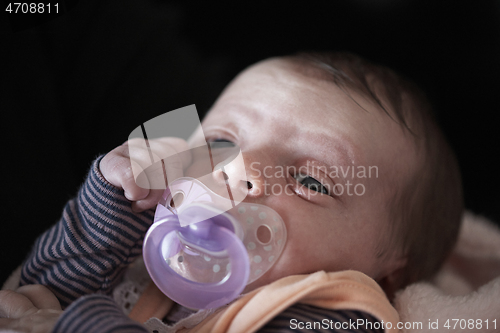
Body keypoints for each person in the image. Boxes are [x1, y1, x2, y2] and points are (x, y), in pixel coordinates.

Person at [0, 52, 462, 332]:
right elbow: (35, 293)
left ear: (386, 277)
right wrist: (114, 200)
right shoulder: (145, 252)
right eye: (219, 143)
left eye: (312, 182)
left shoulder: (330, 314)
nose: (242, 171)